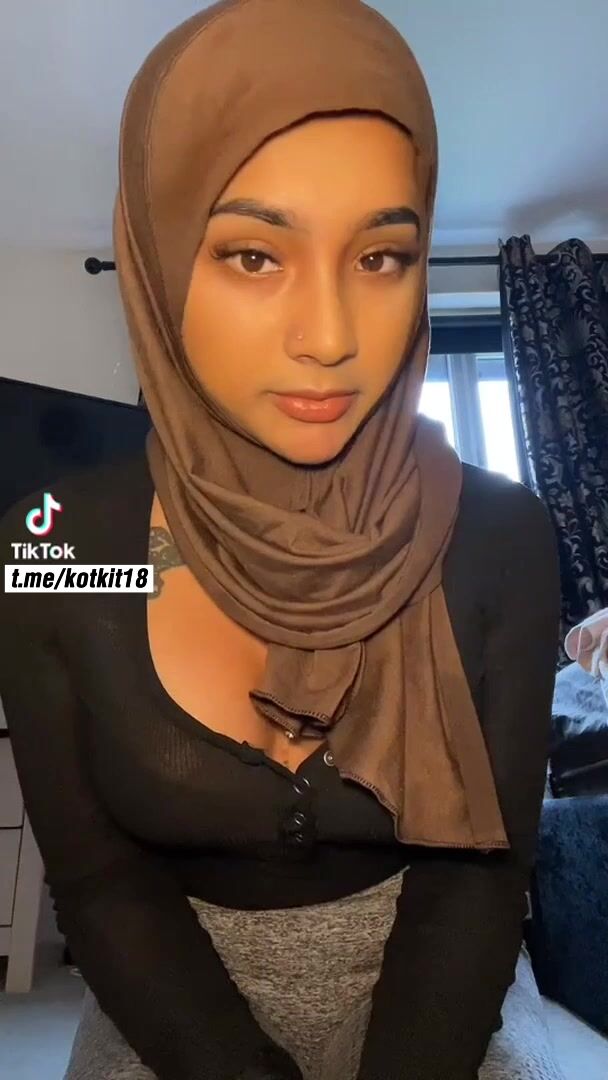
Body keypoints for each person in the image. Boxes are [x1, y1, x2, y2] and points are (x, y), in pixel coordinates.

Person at [0, 2, 565, 1079]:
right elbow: (102, 884)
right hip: (172, 1010)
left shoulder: (499, 537)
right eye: (254, 255)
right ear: (160, 262)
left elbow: (479, 881)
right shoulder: (57, 545)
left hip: (439, 995)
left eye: (382, 256)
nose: (331, 338)